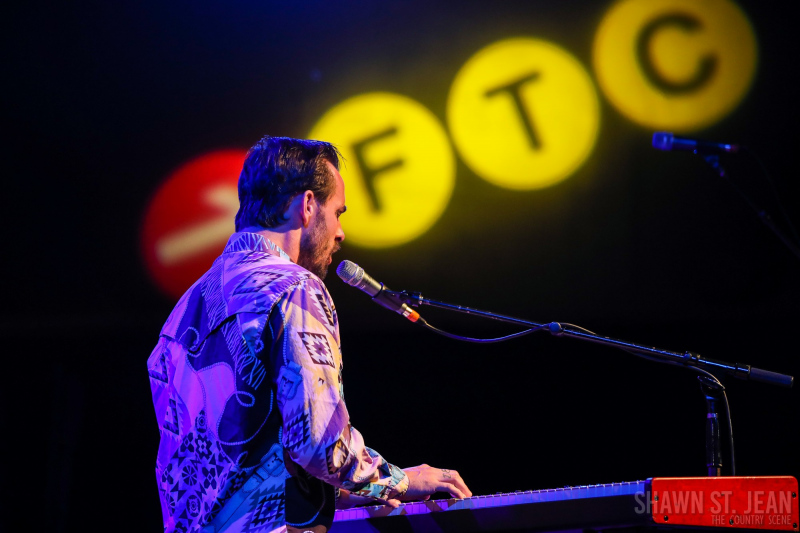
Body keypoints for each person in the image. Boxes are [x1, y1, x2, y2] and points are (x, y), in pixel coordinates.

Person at [147, 135, 471, 533]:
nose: (341, 232)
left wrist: (341, 490)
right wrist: (399, 481)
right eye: (338, 212)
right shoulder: (293, 288)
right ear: (307, 205)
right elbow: (319, 443)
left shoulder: (180, 314)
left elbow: (221, 472)